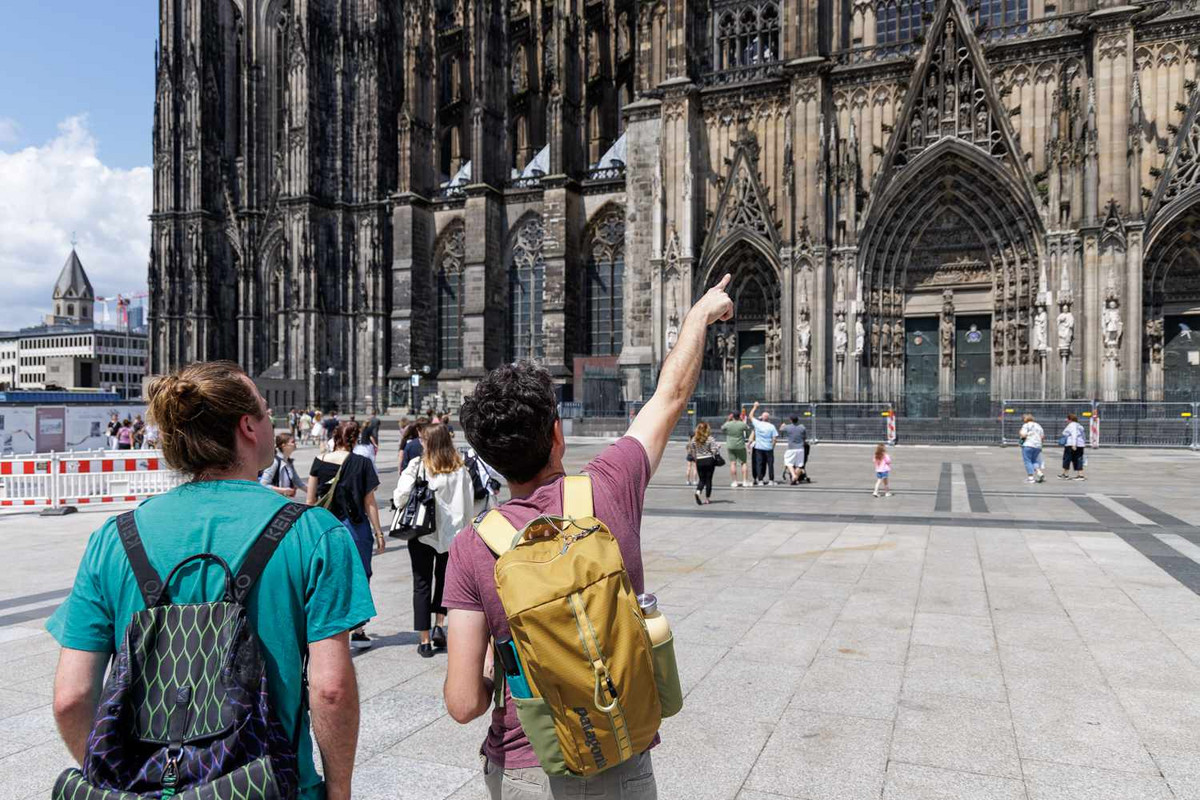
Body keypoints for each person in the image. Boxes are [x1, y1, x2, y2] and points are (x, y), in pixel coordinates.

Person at [442, 273, 734, 799]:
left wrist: (497, 662)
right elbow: (669, 397)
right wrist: (699, 316)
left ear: (487, 458)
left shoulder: (471, 548)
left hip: (525, 768)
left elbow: (464, 703)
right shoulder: (609, 485)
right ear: (557, 433)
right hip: (618, 759)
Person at [46, 360, 374, 800]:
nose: (270, 417)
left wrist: (117, 777)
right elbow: (330, 689)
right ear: (248, 427)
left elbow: (71, 697)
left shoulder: (115, 538)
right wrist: (338, 791)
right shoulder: (315, 533)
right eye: (263, 408)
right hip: (273, 787)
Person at [394, 424, 473, 658]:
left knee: (421, 584)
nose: (420, 443)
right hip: (452, 537)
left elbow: (400, 498)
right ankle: (440, 624)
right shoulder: (460, 469)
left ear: (431, 442)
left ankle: (425, 640)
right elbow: (468, 505)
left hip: (422, 533)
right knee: (444, 580)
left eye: (423, 439)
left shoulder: (418, 466)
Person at [307, 420, 385, 648]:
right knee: (360, 575)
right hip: (355, 528)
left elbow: (310, 501)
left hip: (325, 528)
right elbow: (369, 501)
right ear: (355, 438)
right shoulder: (362, 463)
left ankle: (331, 627)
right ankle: (358, 629)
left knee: (329, 576)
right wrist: (379, 532)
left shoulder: (318, 461)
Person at [687, 422, 721, 505]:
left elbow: (692, 451)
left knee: (702, 480)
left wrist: (696, 459)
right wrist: (718, 448)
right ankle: (707, 499)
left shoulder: (694, 439)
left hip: (699, 460)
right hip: (709, 460)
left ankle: (698, 492)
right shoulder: (710, 439)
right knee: (709, 480)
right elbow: (714, 451)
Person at [261, 432, 303, 497]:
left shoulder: (288, 462)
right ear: (284, 445)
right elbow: (263, 485)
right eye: (293, 442)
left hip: (283, 500)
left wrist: (313, 492)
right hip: (274, 501)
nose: (295, 444)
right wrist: (284, 490)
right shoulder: (275, 462)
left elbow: (298, 482)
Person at [747, 403, 778, 486]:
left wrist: (754, 407)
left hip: (759, 448)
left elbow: (750, 415)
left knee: (759, 464)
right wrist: (772, 447)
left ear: (762, 418)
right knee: (770, 464)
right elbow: (775, 439)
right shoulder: (772, 426)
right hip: (768, 448)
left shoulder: (757, 424)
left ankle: (760, 480)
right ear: (768, 418)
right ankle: (771, 480)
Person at [722, 411, 751, 487]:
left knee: (733, 463)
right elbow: (748, 429)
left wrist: (728, 419)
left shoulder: (728, 424)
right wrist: (741, 420)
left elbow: (722, 428)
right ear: (739, 416)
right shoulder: (742, 424)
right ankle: (744, 481)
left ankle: (735, 481)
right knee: (743, 463)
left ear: (732, 416)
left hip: (730, 445)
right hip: (740, 445)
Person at [779, 415, 808, 485]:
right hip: (800, 448)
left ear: (791, 420)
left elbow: (780, 429)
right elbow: (805, 438)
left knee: (788, 463)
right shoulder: (802, 427)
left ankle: (794, 475)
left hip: (791, 448)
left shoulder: (788, 427)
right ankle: (795, 479)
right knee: (799, 465)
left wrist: (782, 425)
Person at [1019, 413, 1045, 484]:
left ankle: (1031, 478)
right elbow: (1042, 437)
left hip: (1028, 444)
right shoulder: (1038, 425)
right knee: (1034, 460)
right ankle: (1039, 473)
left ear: (1025, 419)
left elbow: (1023, 435)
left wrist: (1020, 433)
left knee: (1027, 461)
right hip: (1038, 446)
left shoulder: (1026, 425)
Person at [1059, 413, 1087, 481]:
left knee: (1067, 459)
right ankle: (1080, 475)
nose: (1067, 421)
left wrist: (1074, 444)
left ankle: (1065, 474)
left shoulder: (1072, 425)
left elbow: (1074, 434)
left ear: (1070, 419)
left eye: (1067, 419)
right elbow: (1083, 436)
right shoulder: (1080, 426)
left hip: (1071, 444)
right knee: (1078, 459)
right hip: (1080, 444)